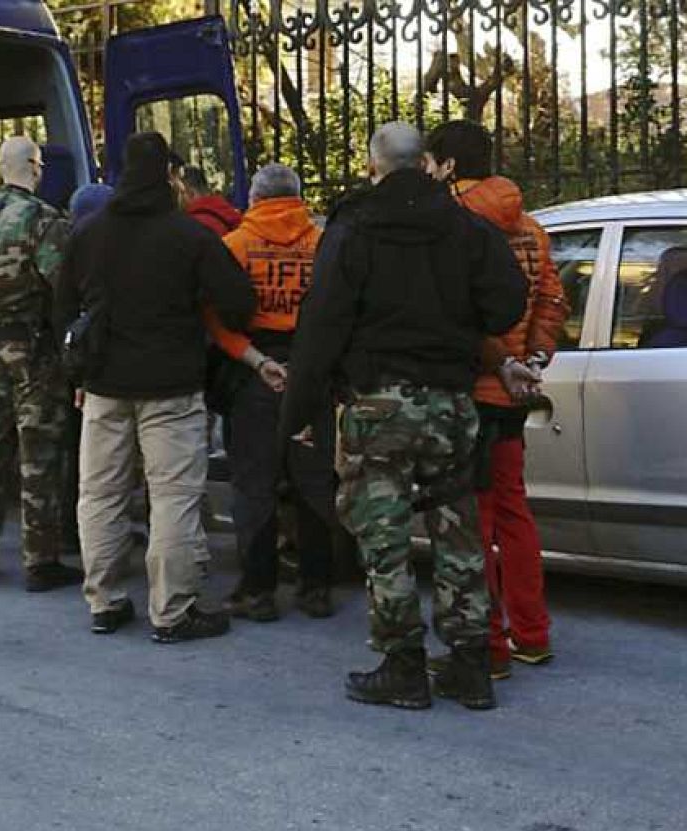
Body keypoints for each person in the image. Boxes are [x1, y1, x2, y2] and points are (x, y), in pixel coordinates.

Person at [281, 122, 526, 711]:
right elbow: (507, 303)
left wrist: (300, 410)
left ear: (374, 164)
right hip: (450, 403)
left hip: (376, 405)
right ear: (426, 164)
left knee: (384, 537)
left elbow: (321, 323)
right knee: (458, 532)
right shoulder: (466, 226)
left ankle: (403, 666)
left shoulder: (352, 228)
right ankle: (470, 663)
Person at [54, 132, 256, 641]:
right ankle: (172, 611)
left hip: (103, 385)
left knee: (100, 494)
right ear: (169, 174)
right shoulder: (188, 236)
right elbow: (237, 302)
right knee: (173, 499)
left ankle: (104, 601)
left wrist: (78, 373)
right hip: (171, 387)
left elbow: (61, 308)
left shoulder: (89, 233)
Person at [423, 120, 569, 682]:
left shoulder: (450, 226)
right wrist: (534, 359)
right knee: (514, 511)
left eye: (431, 163)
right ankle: (533, 634)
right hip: (514, 396)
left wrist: (499, 362)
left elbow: (455, 311)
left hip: (472, 389)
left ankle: (489, 644)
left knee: (473, 522)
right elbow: (552, 298)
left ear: (448, 166)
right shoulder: (531, 228)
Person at [204, 164, 336, 622]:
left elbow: (213, 318)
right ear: (298, 198)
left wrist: (254, 359)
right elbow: (338, 311)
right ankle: (317, 587)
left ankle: (257, 591)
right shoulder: (323, 245)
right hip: (309, 375)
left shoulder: (235, 245)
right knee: (313, 479)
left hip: (253, 374)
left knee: (253, 483)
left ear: (255, 200)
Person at [0, 137, 80, 593]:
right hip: (33, 351)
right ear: (34, 167)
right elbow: (64, 288)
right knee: (39, 454)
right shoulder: (45, 220)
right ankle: (40, 561)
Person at [59, 182, 117, 554]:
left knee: (74, 453)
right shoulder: (112, 254)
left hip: (69, 365)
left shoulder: (68, 250)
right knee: (99, 463)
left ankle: (70, 530)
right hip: (98, 372)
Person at [177, 163, 242, 237]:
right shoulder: (229, 213)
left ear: (191, 193)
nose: (177, 199)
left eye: (178, 192)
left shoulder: (193, 226)